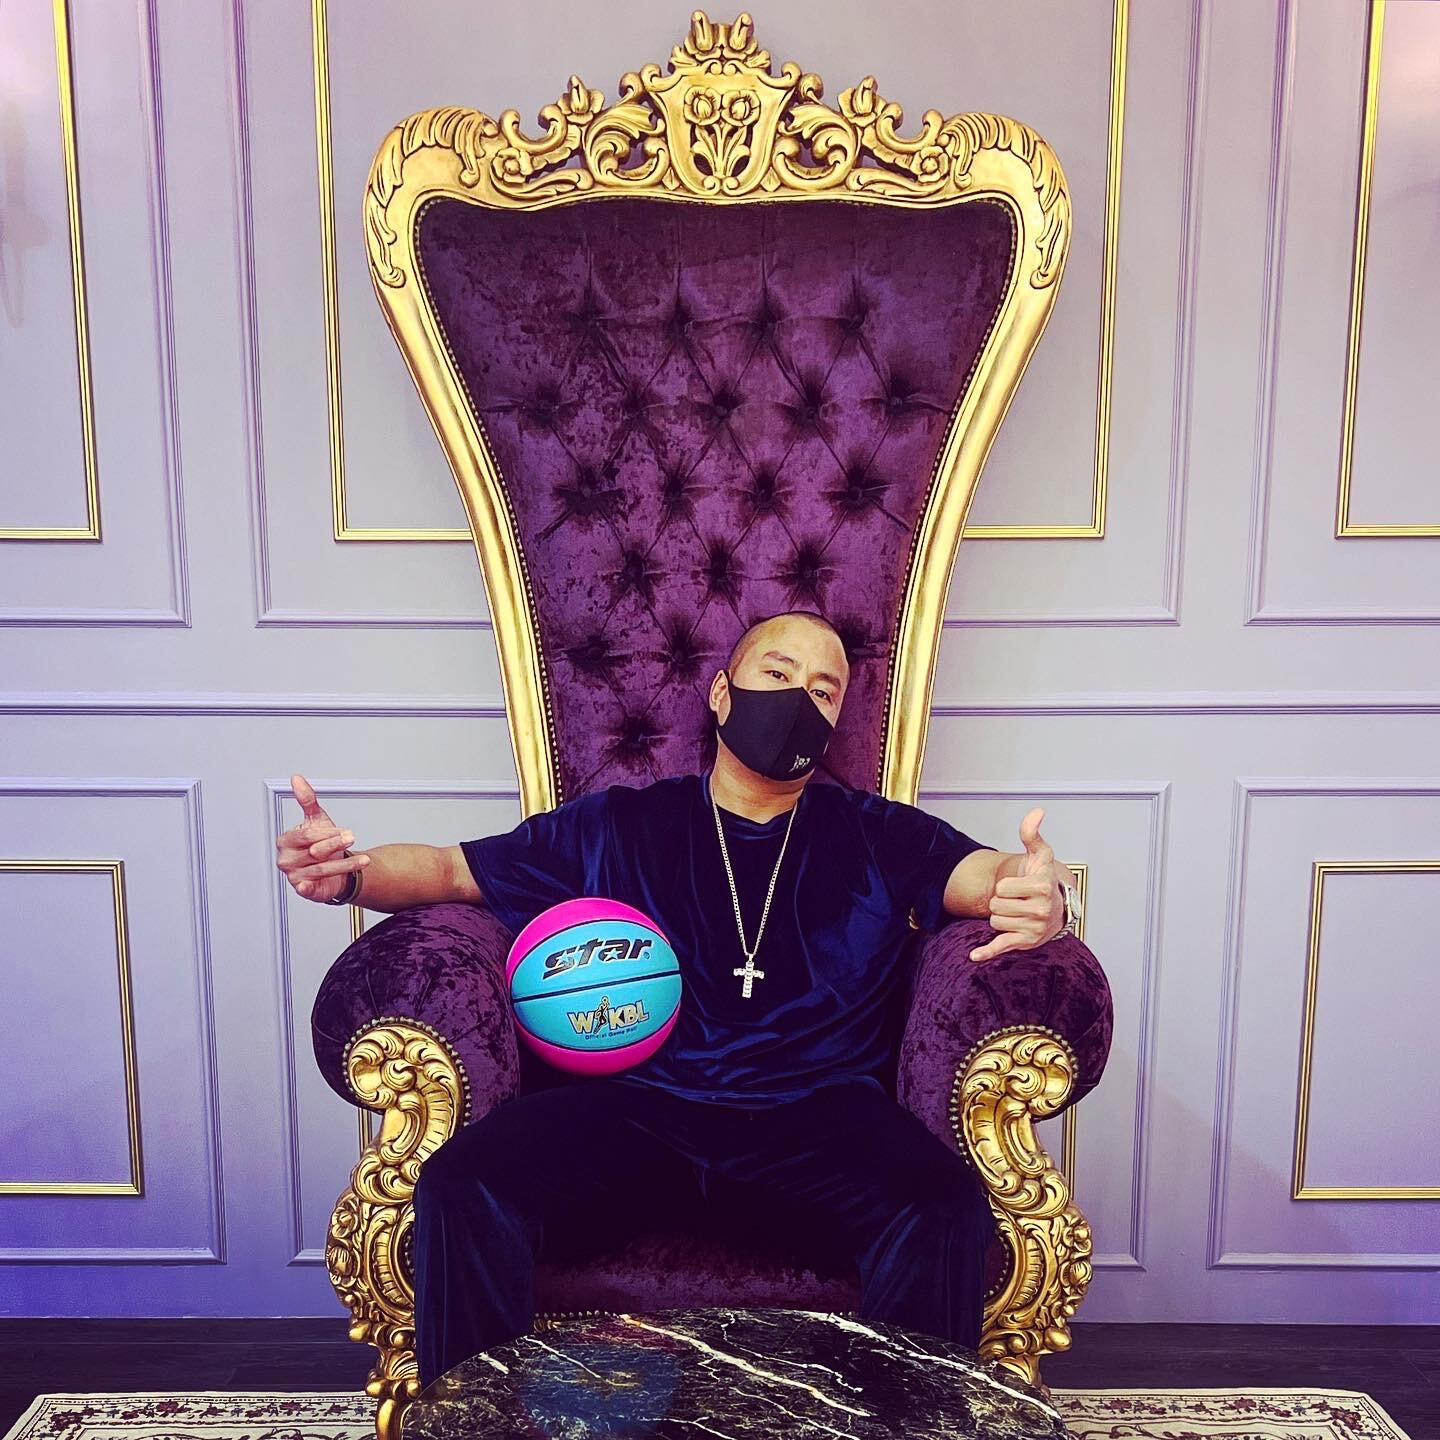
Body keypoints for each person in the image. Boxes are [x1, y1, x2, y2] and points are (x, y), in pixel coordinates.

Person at [276, 609, 1078, 1388]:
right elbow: (452, 871)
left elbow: (986, 876)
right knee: (463, 1185)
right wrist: (349, 874)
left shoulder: (879, 832)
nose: (799, 700)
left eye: (824, 690)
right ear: (722, 693)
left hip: (819, 1113)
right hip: (636, 1104)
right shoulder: (620, 825)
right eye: (778, 674)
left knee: (941, 1205)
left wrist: (1037, 892)